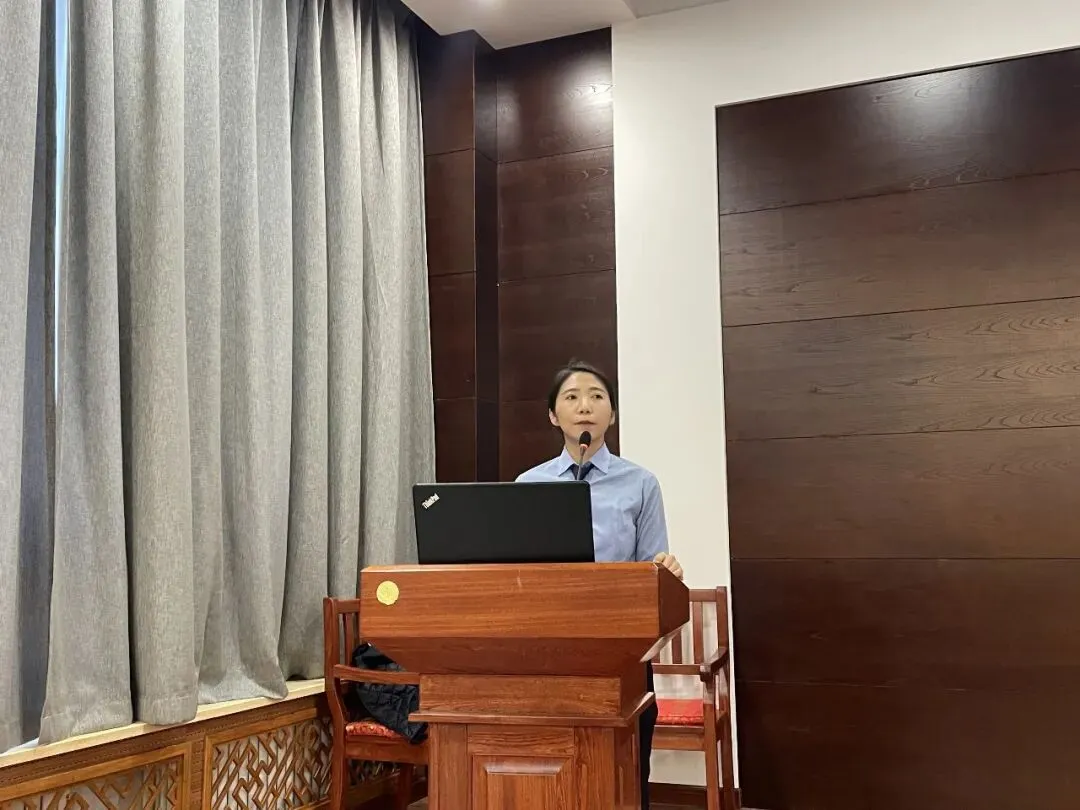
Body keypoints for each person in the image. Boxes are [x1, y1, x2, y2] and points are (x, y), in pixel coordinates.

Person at [516, 359, 683, 810]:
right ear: (553, 416)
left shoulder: (641, 483)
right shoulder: (528, 485)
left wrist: (665, 569)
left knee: (624, 771)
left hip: (621, 652)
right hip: (549, 650)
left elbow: (654, 572)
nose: (584, 406)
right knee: (553, 772)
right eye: (571, 397)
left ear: (612, 413)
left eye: (596, 396)